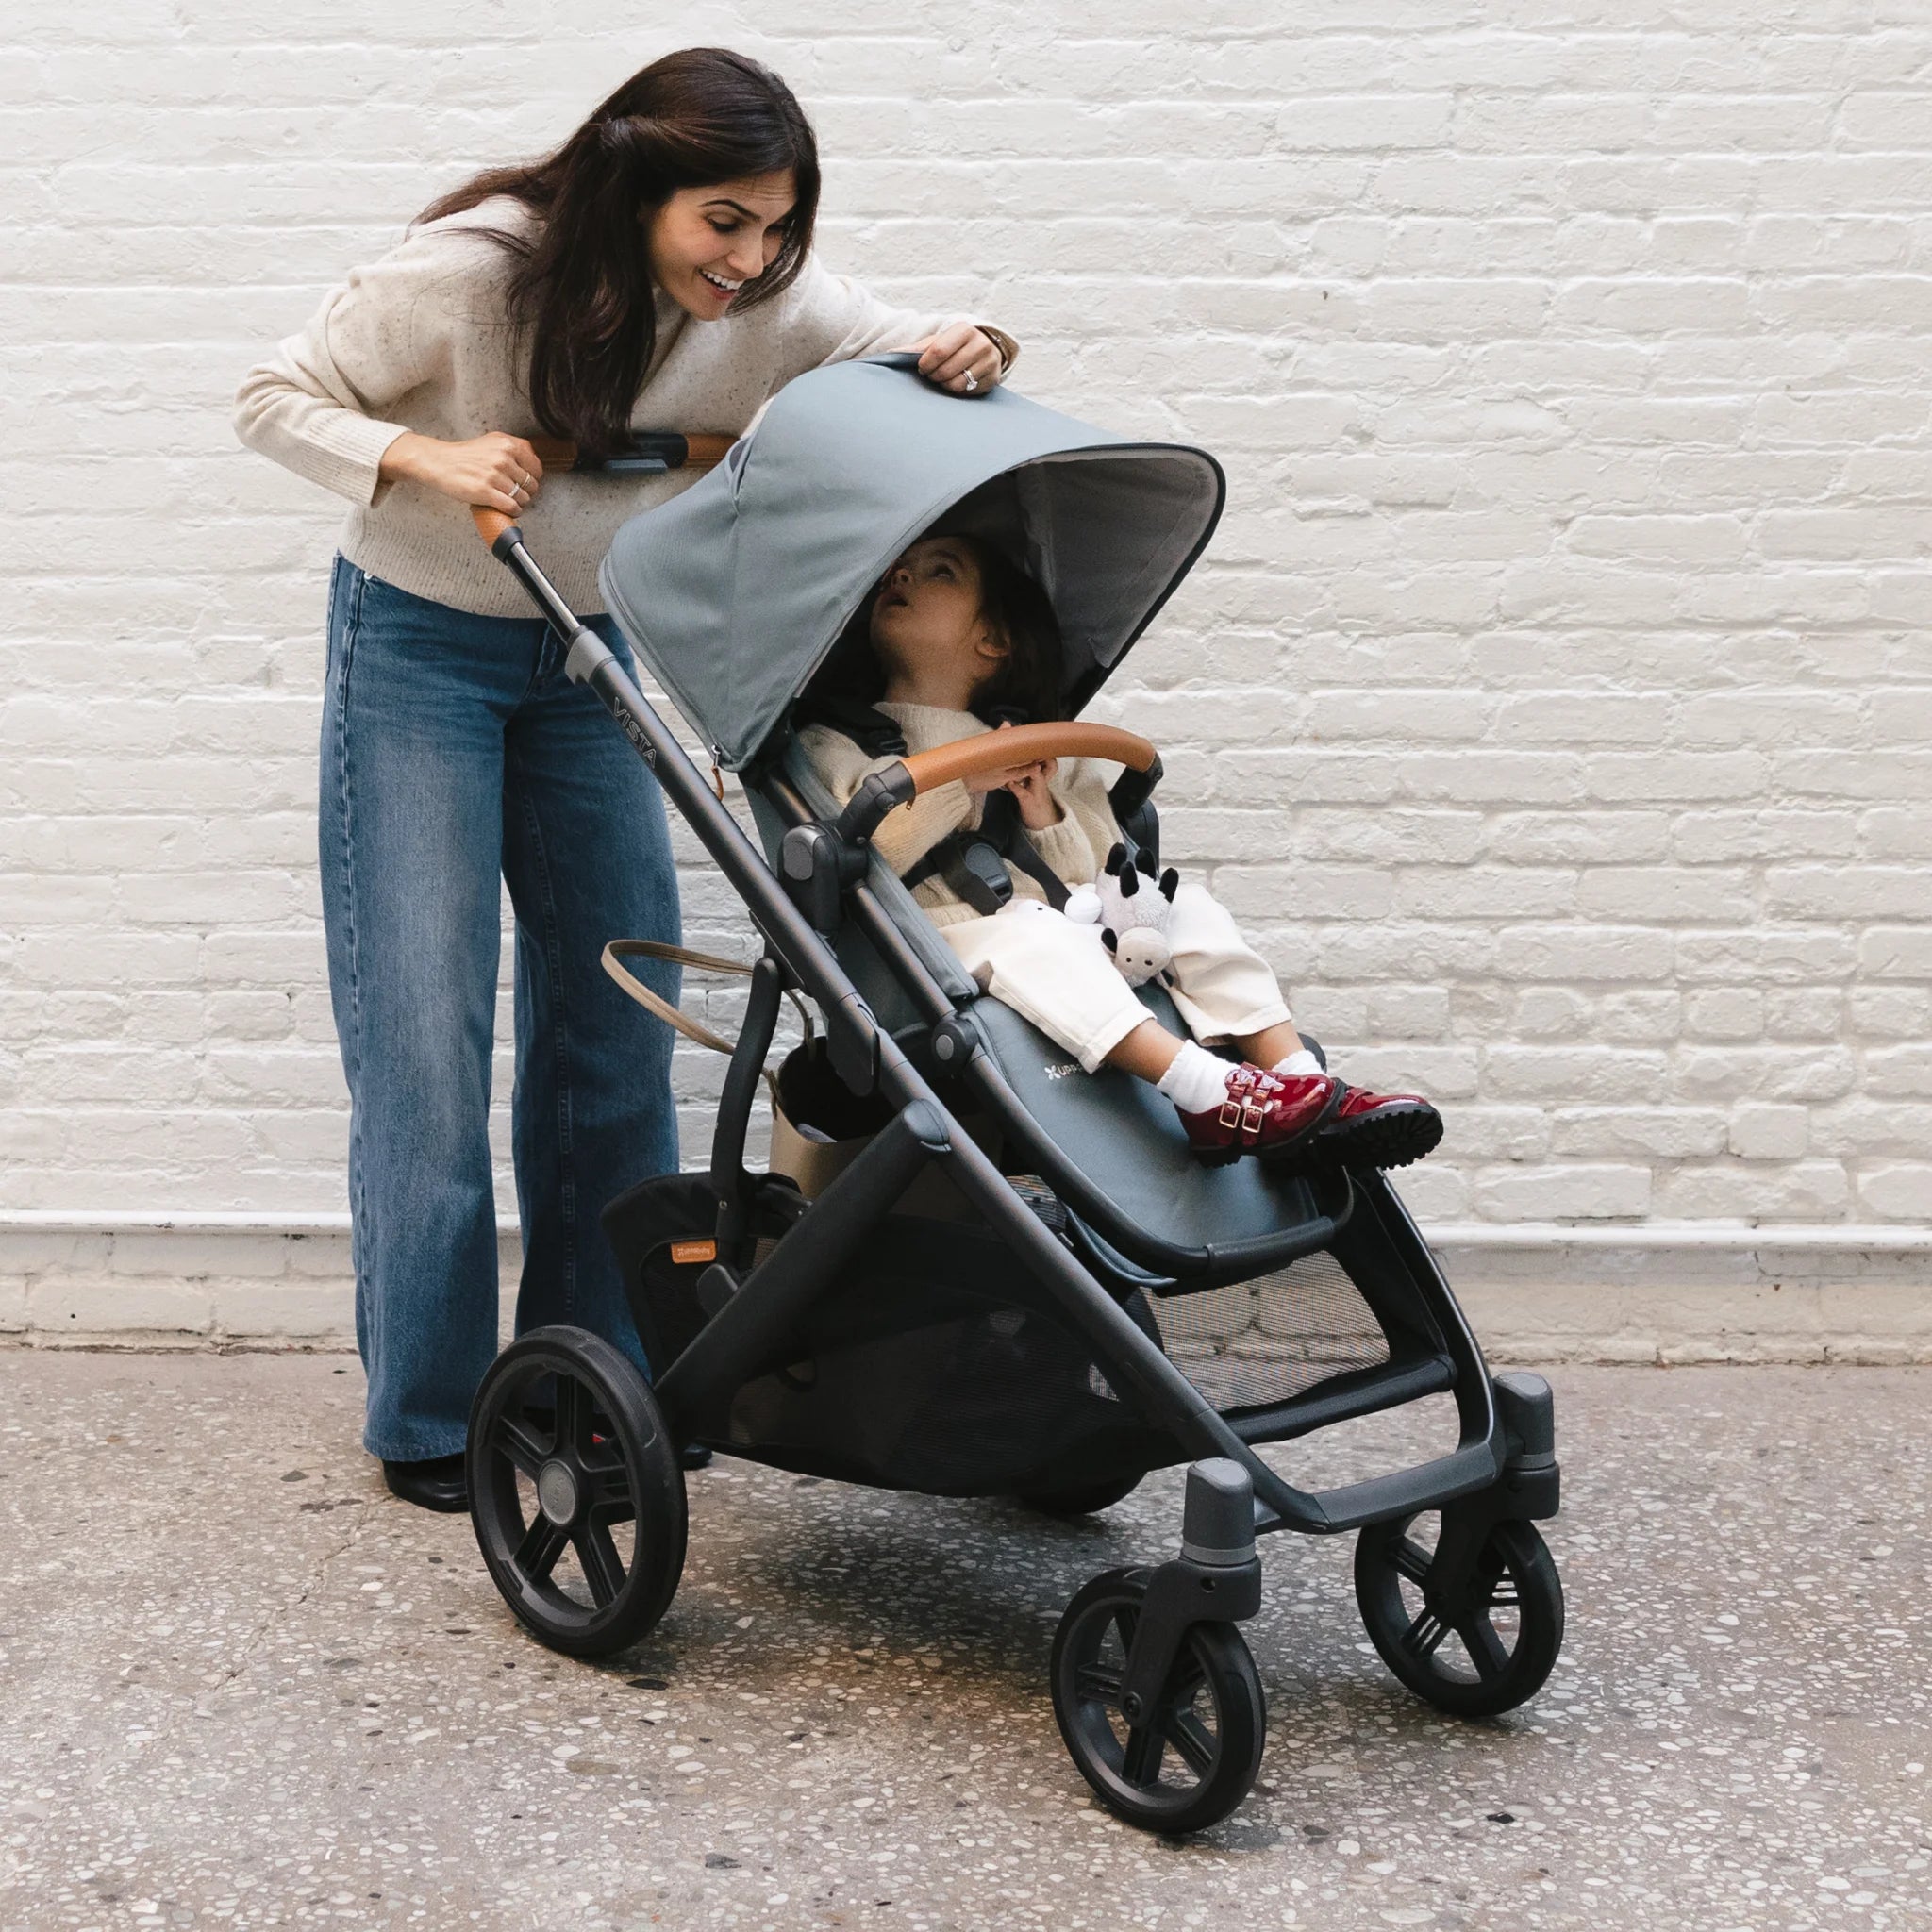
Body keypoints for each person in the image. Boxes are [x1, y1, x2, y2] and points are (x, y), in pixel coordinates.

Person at [232, 48, 1019, 1511]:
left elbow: (906, 336)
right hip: (420, 653)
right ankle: (430, 1414)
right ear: (634, 184)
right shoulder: (473, 275)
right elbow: (273, 397)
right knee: (426, 1033)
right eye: (725, 220)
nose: (756, 258)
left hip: (591, 659)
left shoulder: (771, 300)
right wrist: (426, 454)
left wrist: (970, 341)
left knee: (608, 1021)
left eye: (780, 226)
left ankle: (592, 1374)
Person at [797, 533, 1443, 1169]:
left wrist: (1040, 810)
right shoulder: (838, 743)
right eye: (897, 571)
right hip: (940, 950)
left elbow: (1106, 878)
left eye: (937, 571)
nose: (901, 577)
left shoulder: (1045, 745)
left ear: (993, 639)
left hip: (1077, 929)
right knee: (1030, 928)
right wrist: (965, 779)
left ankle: (1301, 1080)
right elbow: (871, 843)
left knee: (1187, 905)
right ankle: (1207, 1092)